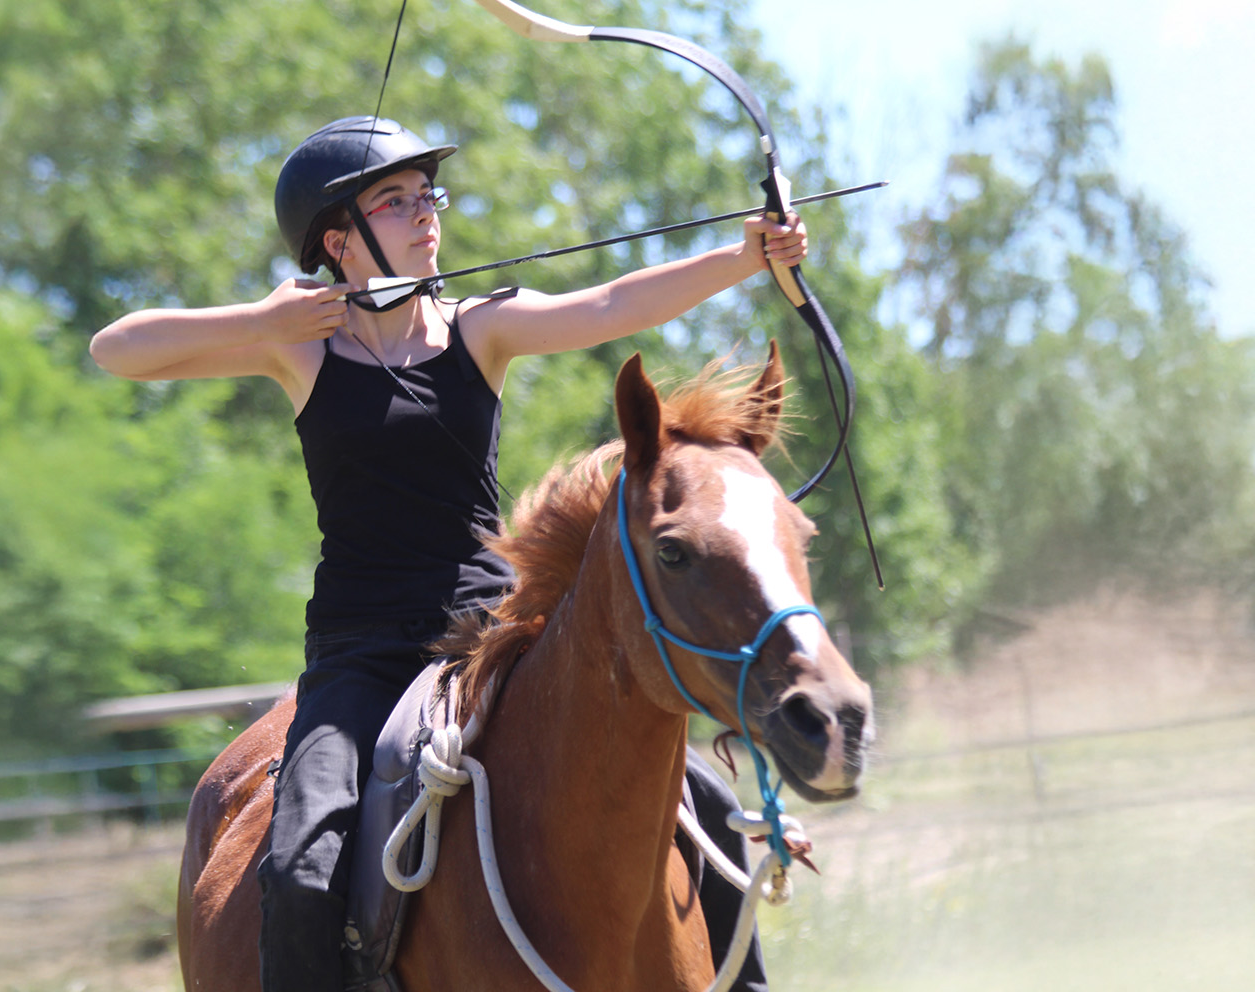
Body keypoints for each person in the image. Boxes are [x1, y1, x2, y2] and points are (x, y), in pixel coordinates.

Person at [89, 116, 804, 992]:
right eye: (395, 200)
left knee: (711, 809)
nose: (425, 212)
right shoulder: (300, 348)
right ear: (337, 240)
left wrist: (746, 258)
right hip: (363, 654)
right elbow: (115, 349)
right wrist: (262, 314)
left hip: (497, 632)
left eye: (428, 195)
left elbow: (613, 306)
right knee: (305, 865)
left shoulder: (480, 330)